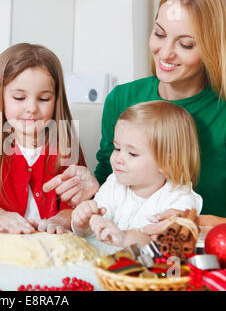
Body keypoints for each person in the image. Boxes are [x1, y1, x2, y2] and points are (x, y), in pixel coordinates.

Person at [44, 0, 226, 232]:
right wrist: (87, 194)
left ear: (214, 47)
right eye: (159, 34)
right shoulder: (122, 99)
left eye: (186, 44)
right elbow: (109, 192)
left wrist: (197, 222)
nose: (165, 53)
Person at [0, 43, 86, 234]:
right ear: (0, 96)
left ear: (56, 99)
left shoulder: (65, 144)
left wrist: (60, 221)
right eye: (19, 98)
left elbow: (77, 204)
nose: (31, 108)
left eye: (43, 99)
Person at [71, 101, 203, 247]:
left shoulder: (179, 199)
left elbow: (161, 241)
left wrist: (124, 237)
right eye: (117, 148)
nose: (118, 159)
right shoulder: (114, 184)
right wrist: (83, 224)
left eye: (132, 154)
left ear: (167, 163)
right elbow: (95, 227)